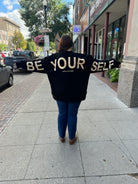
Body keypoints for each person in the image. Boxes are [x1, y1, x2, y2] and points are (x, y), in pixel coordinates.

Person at [24, 35, 120, 145]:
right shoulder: (83, 59)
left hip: (60, 92)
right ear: (72, 45)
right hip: (76, 92)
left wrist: (20, 64)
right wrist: (116, 63)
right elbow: (100, 64)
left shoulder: (53, 59)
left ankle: (61, 136)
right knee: (72, 115)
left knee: (62, 114)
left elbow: (36, 64)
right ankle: (71, 137)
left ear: (61, 45)